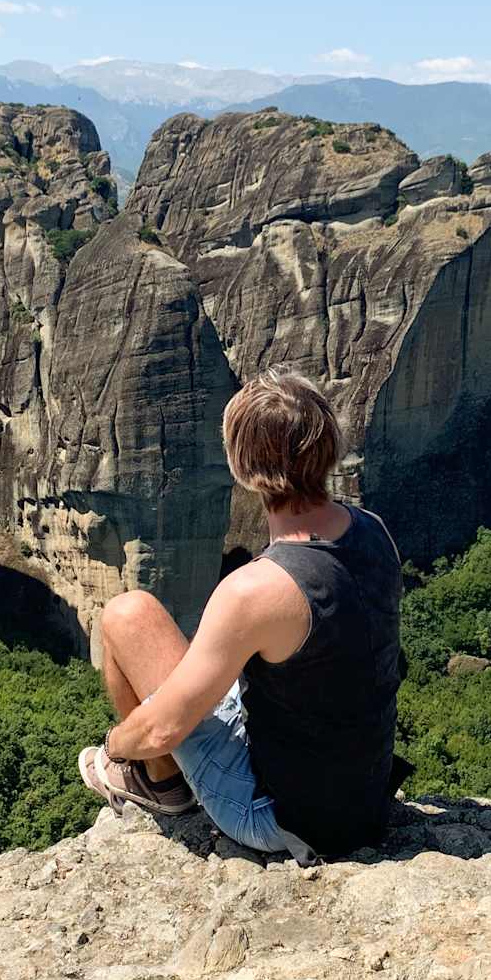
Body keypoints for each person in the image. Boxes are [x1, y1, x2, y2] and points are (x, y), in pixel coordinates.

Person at [78, 368, 403, 861]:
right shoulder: (373, 529)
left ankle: (160, 787)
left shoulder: (257, 590)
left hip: (282, 817)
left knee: (127, 614)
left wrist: (114, 748)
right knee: (211, 666)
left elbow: (162, 729)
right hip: (364, 797)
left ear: (243, 467)